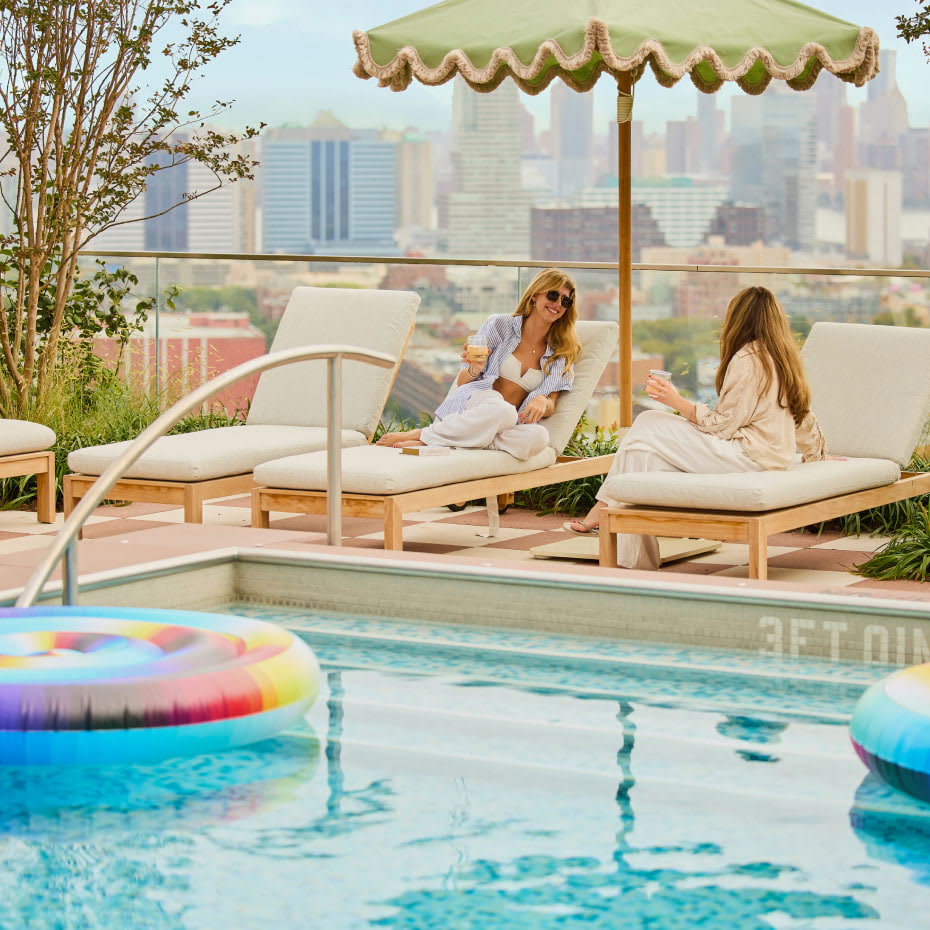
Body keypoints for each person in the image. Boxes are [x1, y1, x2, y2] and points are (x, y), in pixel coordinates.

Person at [563, 285, 826, 570]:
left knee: (648, 421)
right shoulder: (784, 358)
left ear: (738, 318)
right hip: (768, 458)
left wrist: (675, 400)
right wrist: (818, 456)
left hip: (745, 457)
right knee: (640, 455)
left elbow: (723, 426)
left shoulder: (748, 360)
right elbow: (804, 418)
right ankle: (636, 564)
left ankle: (602, 508)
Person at [376, 268, 582, 459]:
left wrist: (543, 402)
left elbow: (551, 403)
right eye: (553, 295)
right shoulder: (500, 325)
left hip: (510, 423)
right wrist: (475, 369)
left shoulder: (561, 352)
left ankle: (454, 440)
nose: (557, 304)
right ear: (535, 295)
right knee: (503, 411)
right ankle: (423, 435)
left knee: (538, 437)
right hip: (479, 403)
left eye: (565, 301)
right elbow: (463, 382)